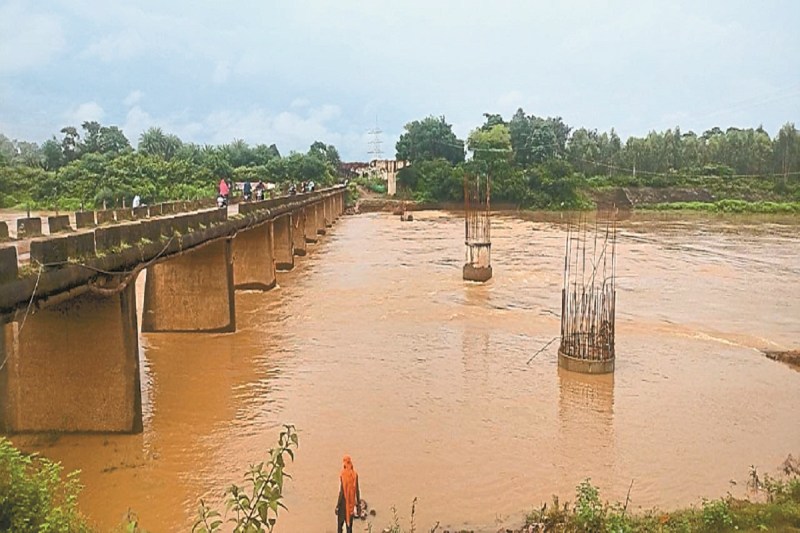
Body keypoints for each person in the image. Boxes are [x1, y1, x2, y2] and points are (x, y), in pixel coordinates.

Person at [335, 455, 361, 533]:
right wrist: (358, 504)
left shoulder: (343, 475)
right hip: (351, 505)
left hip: (343, 503)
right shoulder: (355, 475)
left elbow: (342, 492)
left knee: (340, 526)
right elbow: (357, 491)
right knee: (349, 528)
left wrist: (337, 506)